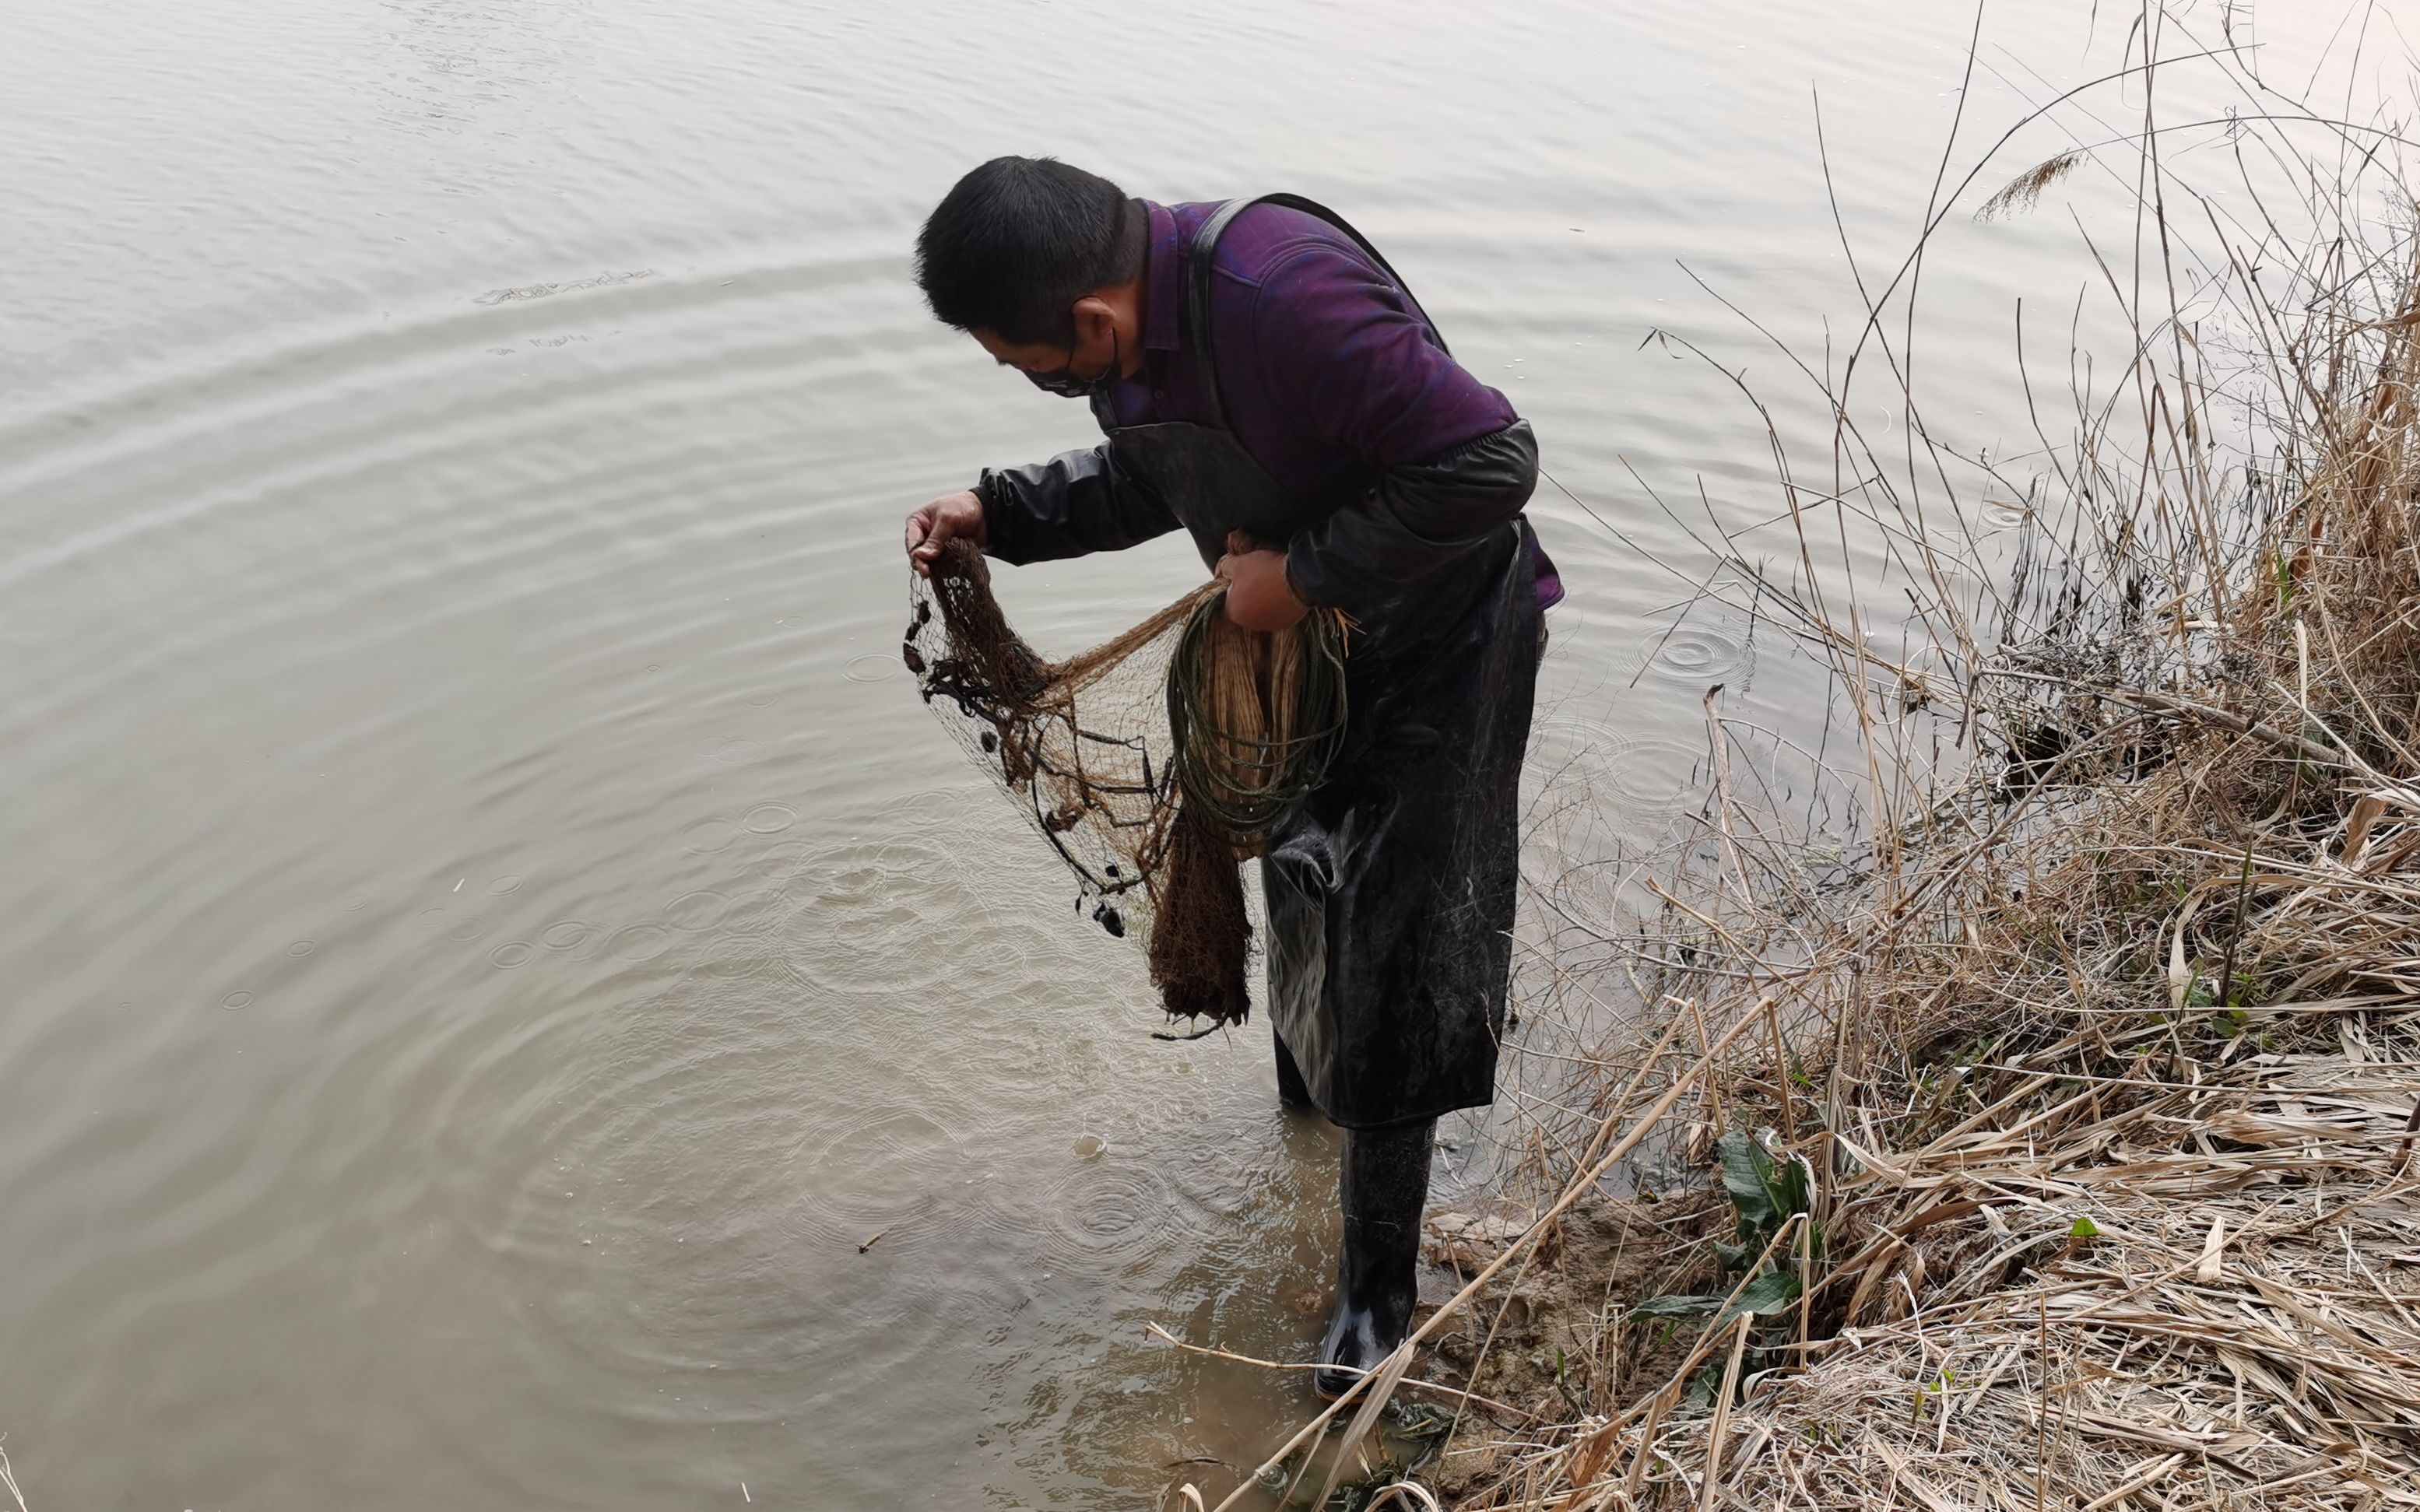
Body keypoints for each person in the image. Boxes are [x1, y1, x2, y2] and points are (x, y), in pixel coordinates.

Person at [904, 156, 1558, 1398]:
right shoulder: (1137, 341)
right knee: (1300, 881)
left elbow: (1490, 466)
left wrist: (1299, 578)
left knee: (1398, 949)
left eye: (1035, 367)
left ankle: (1376, 1291)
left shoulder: (1284, 294)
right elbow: (1157, 479)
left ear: (1088, 322)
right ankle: (1311, 1132)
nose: (1044, 385)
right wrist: (998, 509)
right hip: (1301, 651)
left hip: (1437, 648)